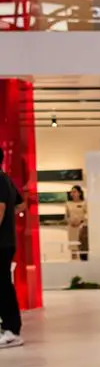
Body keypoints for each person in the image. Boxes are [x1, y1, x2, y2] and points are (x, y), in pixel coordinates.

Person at [0, 150, 23, 350]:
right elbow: (20, 205)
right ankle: (9, 327)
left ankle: (11, 330)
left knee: (3, 285)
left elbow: (0, 209)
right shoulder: (6, 179)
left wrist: (5, 218)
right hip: (6, 241)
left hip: (1, 243)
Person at [65, 185, 88, 261]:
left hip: (82, 228)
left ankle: (82, 261)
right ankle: (74, 261)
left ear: (79, 193)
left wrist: (80, 221)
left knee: (82, 245)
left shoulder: (84, 203)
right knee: (73, 246)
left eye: (74, 192)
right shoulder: (68, 203)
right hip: (72, 228)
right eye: (72, 192)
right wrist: (70, 221)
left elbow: (87, 214)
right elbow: (66, 216)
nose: (73, 194)